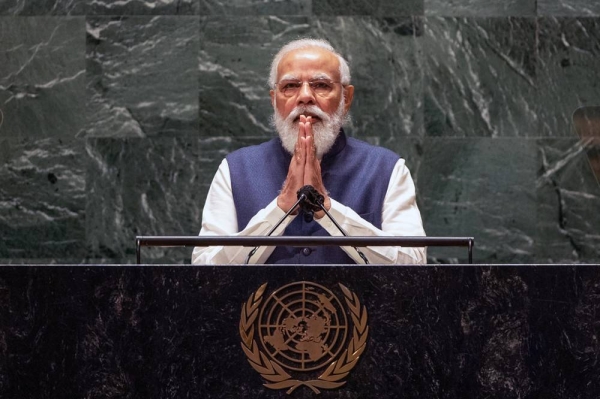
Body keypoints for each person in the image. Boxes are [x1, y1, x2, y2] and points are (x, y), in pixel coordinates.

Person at [192, 38, 426, 265]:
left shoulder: (387, 169)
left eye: (321, 85)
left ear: (347, 98)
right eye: (290, 86)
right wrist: (281, 207)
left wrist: (327, 208)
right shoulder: (235, 169)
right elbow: (204, 267)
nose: (305, 97)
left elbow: (415, 265)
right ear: (274, 100)